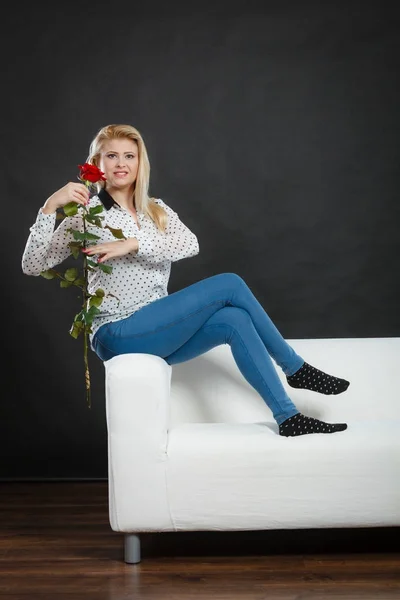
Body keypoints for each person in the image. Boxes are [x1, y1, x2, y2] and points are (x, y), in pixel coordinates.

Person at [22, 123, 349, 437]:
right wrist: (50, 206)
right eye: (112, 155)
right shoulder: (87, 216)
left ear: (140, 163)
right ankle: (295, 368)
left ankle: (288, 417)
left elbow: (188, 244)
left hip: (157, 330)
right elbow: (32, 264)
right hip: (116, 331)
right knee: (230, 284)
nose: (121, 163)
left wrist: (133, 243)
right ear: (96, 164)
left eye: (129, 156)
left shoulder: (156, 210)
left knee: (232, 319)